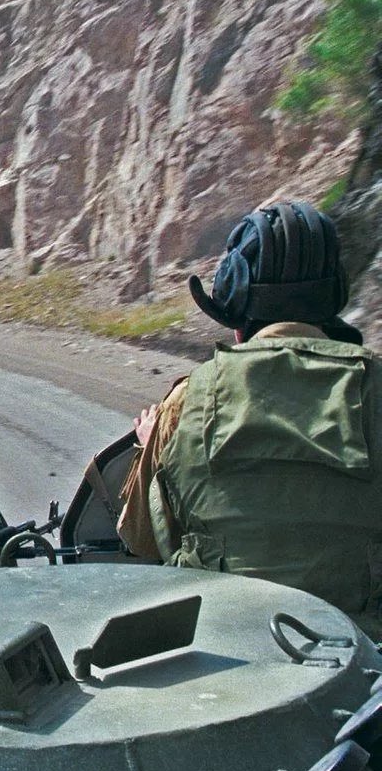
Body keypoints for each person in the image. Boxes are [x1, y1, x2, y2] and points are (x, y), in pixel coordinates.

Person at [117, 198, 382, 636]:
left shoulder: (185, 403)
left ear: (237, 309)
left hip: (226, 652)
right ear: (333, 296)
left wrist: (154, 449)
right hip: (363, 671)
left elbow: (141, 541)